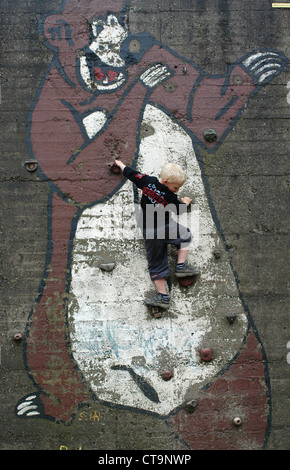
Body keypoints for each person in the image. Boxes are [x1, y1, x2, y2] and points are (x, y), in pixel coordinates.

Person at [114, 159, 200, 309]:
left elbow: (132, 174)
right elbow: (179, 210)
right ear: (166, 181)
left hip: (150, 231)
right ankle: (180, 266)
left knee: (156, 262)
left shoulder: (148, 181)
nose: (177, 190)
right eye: (175, 187)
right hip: (166, 227)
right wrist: (185, 201)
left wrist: (120, 164)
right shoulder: (170, 195)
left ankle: (163, 296)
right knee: (185, 235)